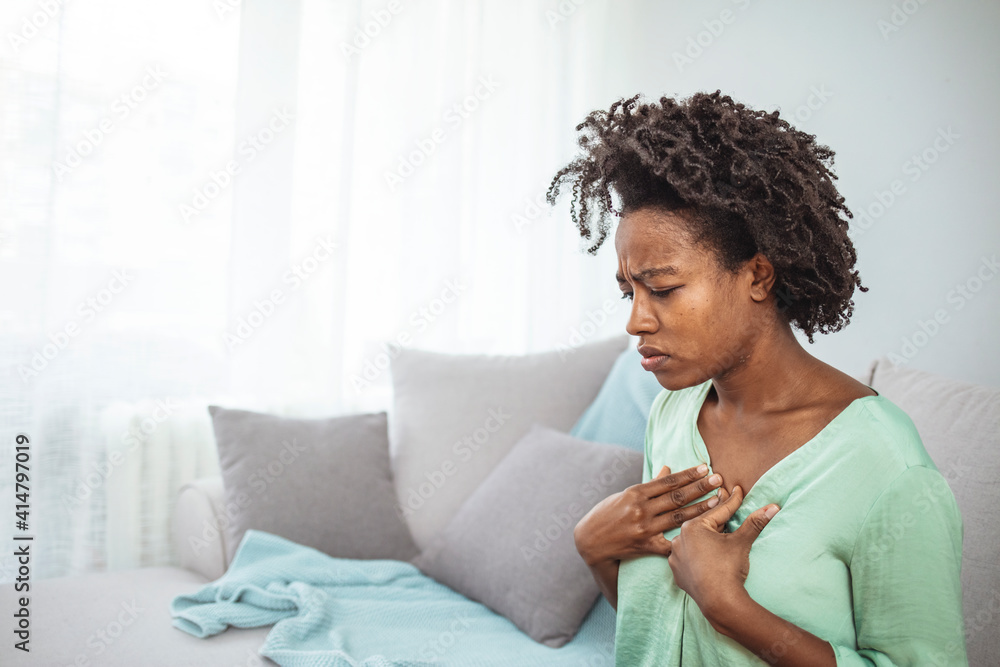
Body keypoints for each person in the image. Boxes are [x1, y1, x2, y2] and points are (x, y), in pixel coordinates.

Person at [548, 91, 967, 666]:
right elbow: (663, 632)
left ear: (758, 276)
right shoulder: (672, 415)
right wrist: (595, 552)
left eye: (663, 289)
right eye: (630, 292)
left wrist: (730, 605)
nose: (636, 320)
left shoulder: (887, 465)